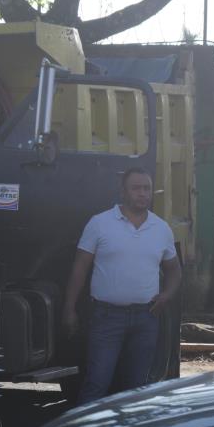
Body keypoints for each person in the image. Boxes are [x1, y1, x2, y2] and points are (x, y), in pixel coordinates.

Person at [62, 166, 182, 405]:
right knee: (97, 381)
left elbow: (174, 270)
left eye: (147, 188)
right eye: (136, 188)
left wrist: (166, 295)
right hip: (107, 317)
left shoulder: (161, 229)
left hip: (146, 317)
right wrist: (69, 309)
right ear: (123, 192)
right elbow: (79, 269)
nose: (142, 194)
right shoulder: (99, 224)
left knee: (137, 388)